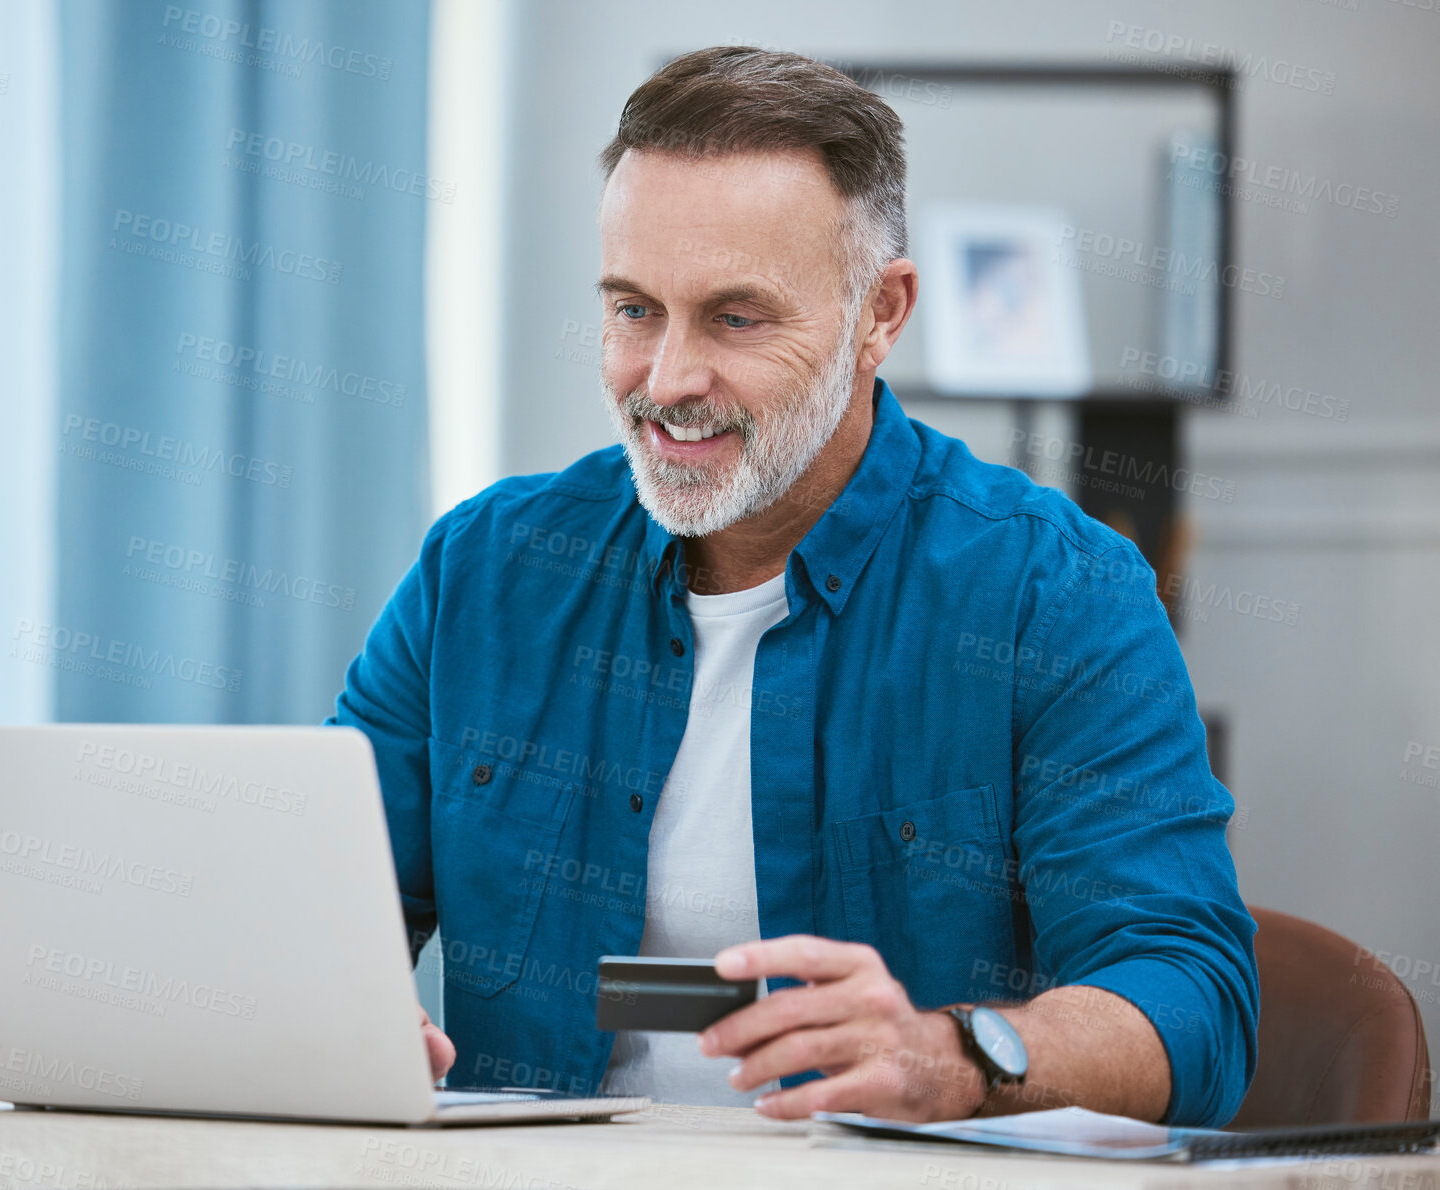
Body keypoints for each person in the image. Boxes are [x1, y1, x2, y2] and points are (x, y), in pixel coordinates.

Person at [330, 45, 1257, 1127]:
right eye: (633, 310)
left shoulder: (1054, 594)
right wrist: (321, 1012)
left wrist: (954, 1054)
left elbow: (1192, 1001)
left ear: (880, 313)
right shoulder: (479, 573)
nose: (666, 381)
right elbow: (315, 916)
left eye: (736, 318)